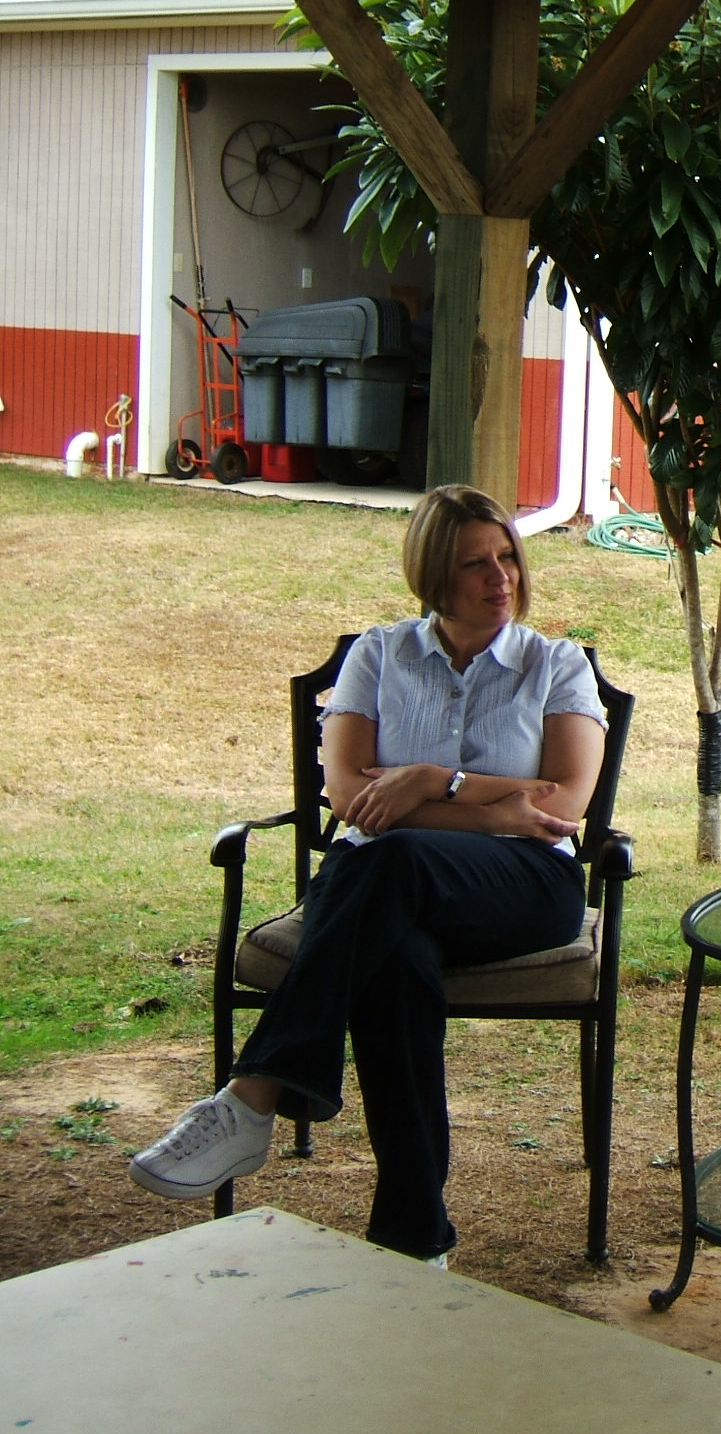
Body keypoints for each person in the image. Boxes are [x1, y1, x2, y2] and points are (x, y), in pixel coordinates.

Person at [129, 485, 606, 1265]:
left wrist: (429, 781)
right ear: (432, 574)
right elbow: (350, 795)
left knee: (389, 860)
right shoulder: (379, 656)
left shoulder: (555, 665)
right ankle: (414, 1242)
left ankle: (255, 1094)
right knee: (396, 958)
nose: (501, 578)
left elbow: (560, 804)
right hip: (385, 882)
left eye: (508, 558)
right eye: (475, 564)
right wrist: (487, 806)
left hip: (521, 887)